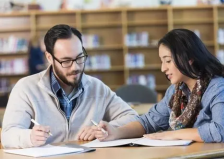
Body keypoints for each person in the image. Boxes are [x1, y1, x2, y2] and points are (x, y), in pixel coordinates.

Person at [1, 24, 138, 148]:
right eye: (66, 61)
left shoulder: (97, 88)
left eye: (80, 58)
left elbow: (133, 118)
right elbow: (7, 135)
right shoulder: (25, 88)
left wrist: (108, 128)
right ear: (49, 58)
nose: (75, 67)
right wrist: (29, 137)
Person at [94, 29, 224, 143]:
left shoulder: (221, 88)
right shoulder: (176, 92)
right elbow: (149, 122)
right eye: (162, 61)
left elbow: (221, 132)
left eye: (168, 61)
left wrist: (173, 135)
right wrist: (116, 132)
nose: (163, 68)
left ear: (189, 59)